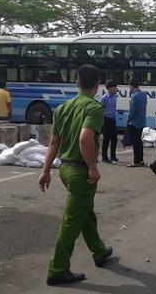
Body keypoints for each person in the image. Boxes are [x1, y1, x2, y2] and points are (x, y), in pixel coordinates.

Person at [38, 64, 112, 286]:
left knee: (84, 212)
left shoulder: (62, 108)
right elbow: (85, 138)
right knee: (71, 222)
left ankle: (99, 251)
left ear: (77, 83)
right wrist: (92, 167)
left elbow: (53, 142)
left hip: (65, 169)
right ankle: (57, 269)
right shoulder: (94, 108)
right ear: (97, 85)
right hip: (81, 171)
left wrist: (45, 170)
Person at [126, 77, 147, 167]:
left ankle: (136, 161)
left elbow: (132, 111)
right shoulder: (143, 94)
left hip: (134, 123)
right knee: (139, 142)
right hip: (142, 122)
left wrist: (128, 119)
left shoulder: (134, 96)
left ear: (131, 86)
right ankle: (141, 160)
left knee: (135, 143)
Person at [100, 80, 119, 164]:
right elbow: (101, 109)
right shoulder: (104, 98)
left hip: (113, 119)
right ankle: (104, 157)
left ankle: (113, 156)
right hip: (106, 119)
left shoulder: (114, 96)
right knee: (106, 139)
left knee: (114, 138)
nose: (115, 89)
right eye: (114, 87)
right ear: (109, 88)